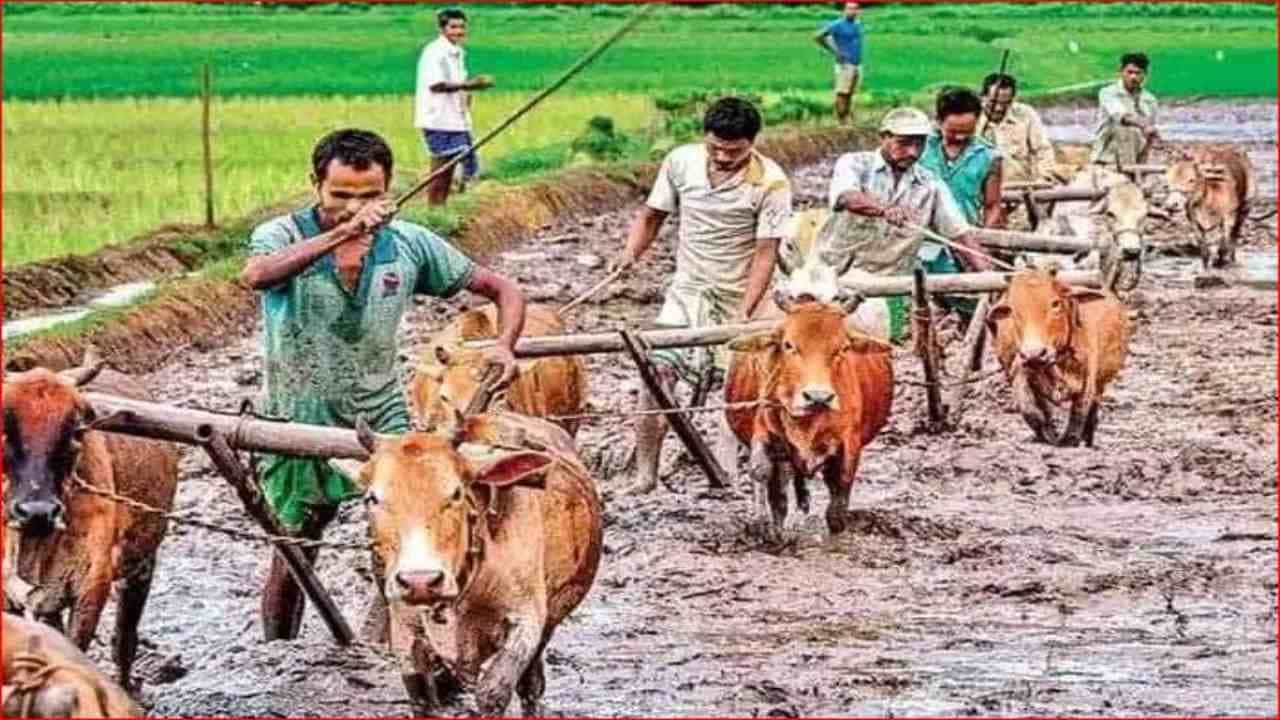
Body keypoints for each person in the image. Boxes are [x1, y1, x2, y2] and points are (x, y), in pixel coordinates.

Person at [240, 128, 525, 641]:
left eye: (369, 195)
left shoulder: (409, 244)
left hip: (383, 421)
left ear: (388, 190)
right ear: (316, 185)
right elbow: (258, 275)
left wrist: (504, 345)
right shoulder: (281, 235)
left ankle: (389, 645)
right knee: (294, 548)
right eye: (340, 195)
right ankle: (278, 656)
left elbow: (502, 289)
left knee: (406, 539)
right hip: (296, 416)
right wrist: (341, 234)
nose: (354, 207)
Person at [609, 97, 792, 496]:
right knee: (655, 377)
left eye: (734, 151)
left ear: (753, 143)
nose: (723, 157)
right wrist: (630, 255)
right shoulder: (681, 162)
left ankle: (737, 475)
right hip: (688, 292)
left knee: (742, 389)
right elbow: (652, 216)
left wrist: (745, 312)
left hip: (742, 295)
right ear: (704, 139)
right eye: (715, 148)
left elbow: (766, 253)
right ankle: (645, 476)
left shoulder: (772, 183)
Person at [818, 106, 991, 343]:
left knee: (887, 348)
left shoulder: (929, 184)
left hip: (891, 286)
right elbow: (846, 197)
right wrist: (884, 210)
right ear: (884, 137)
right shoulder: (855, 164)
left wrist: (989, 277)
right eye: (904, 143)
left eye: (919, 144)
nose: (913, 152)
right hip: (836, 278)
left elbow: (960, 235)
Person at [415, 7, 495, 206]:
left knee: (454, 164)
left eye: (461, 27)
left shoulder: (457, 53)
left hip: (456, 119)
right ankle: (434, 207)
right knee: (441, 166)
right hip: (438, 118)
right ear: (442, 29)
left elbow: (459, 83)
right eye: (453, 27)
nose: (458, 31)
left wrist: (467, 95)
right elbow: (436, 84)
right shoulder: (435, 52)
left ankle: (442, 206)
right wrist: (471, 85)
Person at [977, 72, 1056, 183]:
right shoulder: (971, 117)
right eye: (993, 102)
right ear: (983, 97)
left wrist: (1043, 178)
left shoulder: (1026, 115)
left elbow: (1043, 150)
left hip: (1020, 187)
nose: (999, 108)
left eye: (1005, 103)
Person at [1092, 52, 1159, 166]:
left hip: (1135, 162)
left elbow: (1149, 137)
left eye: (1138, 73)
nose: (1133, 77)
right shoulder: (1108, 93)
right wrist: (1144, 125)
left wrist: (1143, 164)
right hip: (1106, 161)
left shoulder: (1150, 100)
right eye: (1130, 72)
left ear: (1145, 74)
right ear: (1121, 72)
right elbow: (1121, 117)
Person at [814, 2, 866, 126]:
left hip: (856, 63)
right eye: (850, 9)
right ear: (844, 11)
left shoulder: (857, 25)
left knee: (850, 93)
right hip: (844, 63)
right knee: (842, 92)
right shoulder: (837, 24)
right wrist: (835, 51)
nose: (852, 11)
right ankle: (841, 120)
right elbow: (818, 36)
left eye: (855, 9)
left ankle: (847, 117)